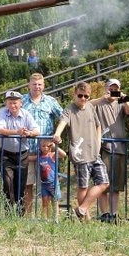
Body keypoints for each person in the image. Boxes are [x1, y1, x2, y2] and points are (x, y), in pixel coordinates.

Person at [52, 82, 109, 221]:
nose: (83, 99)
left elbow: (98, 125)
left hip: (94, 153)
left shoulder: (90, 106)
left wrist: (98, 141)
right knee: (83, 187)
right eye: (80, 96)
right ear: (75, 94)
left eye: (86, 96)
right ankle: (86, 219)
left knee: (104, 183)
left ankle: (82, 209)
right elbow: (63, 123)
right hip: (80, 154)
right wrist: (57, 134)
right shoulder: (69, 109)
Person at [89, 78, 129, 223]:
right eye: (111, 88)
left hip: (119, 148)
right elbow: (86, 105)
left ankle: (114, 214)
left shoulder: (121, 103)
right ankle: (105, 214)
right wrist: (102, 98)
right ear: (106, 88)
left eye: (116, 88)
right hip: (103, 148)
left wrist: (123, 98)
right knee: (102, 183)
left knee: (116, 186)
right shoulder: (98, 103)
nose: (113, 91)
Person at [21, 73, 63, 217]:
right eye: (34, 84)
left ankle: (51, 217)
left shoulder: (51, 101)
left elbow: (63, 117)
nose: (37, 87)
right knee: (28, 185)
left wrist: (58, 134)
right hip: (28, 150)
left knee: (50, 184)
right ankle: (28, 217)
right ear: (29, 85)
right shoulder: (21, 101)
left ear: (43, 85)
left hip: (47, 152)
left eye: (40, 84)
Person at [0, 90, 39, 214]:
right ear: (6, 104)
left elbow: (37, 130)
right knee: (8, 183)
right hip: (6, 154)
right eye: (10, 103)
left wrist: (28, 133)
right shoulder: (2, 113)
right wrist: (17, 132)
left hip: (22, 155)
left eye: (15, 103)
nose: (12, 106)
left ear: (20, 103)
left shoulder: (26, 114)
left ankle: (20, 213)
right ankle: (9, 212)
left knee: (21, 186)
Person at [33, 140, 66, 219]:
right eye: (43, 146)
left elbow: (63, 154)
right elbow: (28, 158)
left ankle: (56, 219)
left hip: (53, 183)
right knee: (44, 202)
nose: (45, 148)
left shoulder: (52, 155)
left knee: (54, 202)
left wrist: (55, 146)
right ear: (40, 147)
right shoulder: (39, 157)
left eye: (48, 146)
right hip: (44, 183)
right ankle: (45, 219)